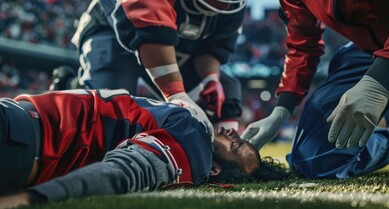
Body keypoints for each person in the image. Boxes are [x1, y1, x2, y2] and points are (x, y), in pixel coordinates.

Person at [0, 89, 287, 209]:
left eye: (235, 145)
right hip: (20, 128)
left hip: (20, 139)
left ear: (214, 170)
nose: (231, 132)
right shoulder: (191, 130)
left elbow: (124, 172)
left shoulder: (194, 146)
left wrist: (29, 201)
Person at [240, 1, 389, 177]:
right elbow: (302, 43)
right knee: (313, 161)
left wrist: (380, 80)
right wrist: (281, 110)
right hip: (370, 51)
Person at [57, 0, 248, 135]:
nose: (226, 4)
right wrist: (177, 94)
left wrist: (210, 78)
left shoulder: (231, 6)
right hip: (114, 33)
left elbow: (212, 49)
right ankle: (69, 85)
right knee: (109, 109)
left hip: (174, 50)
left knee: (226, 94)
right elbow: (149, 28)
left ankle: (221, 158)